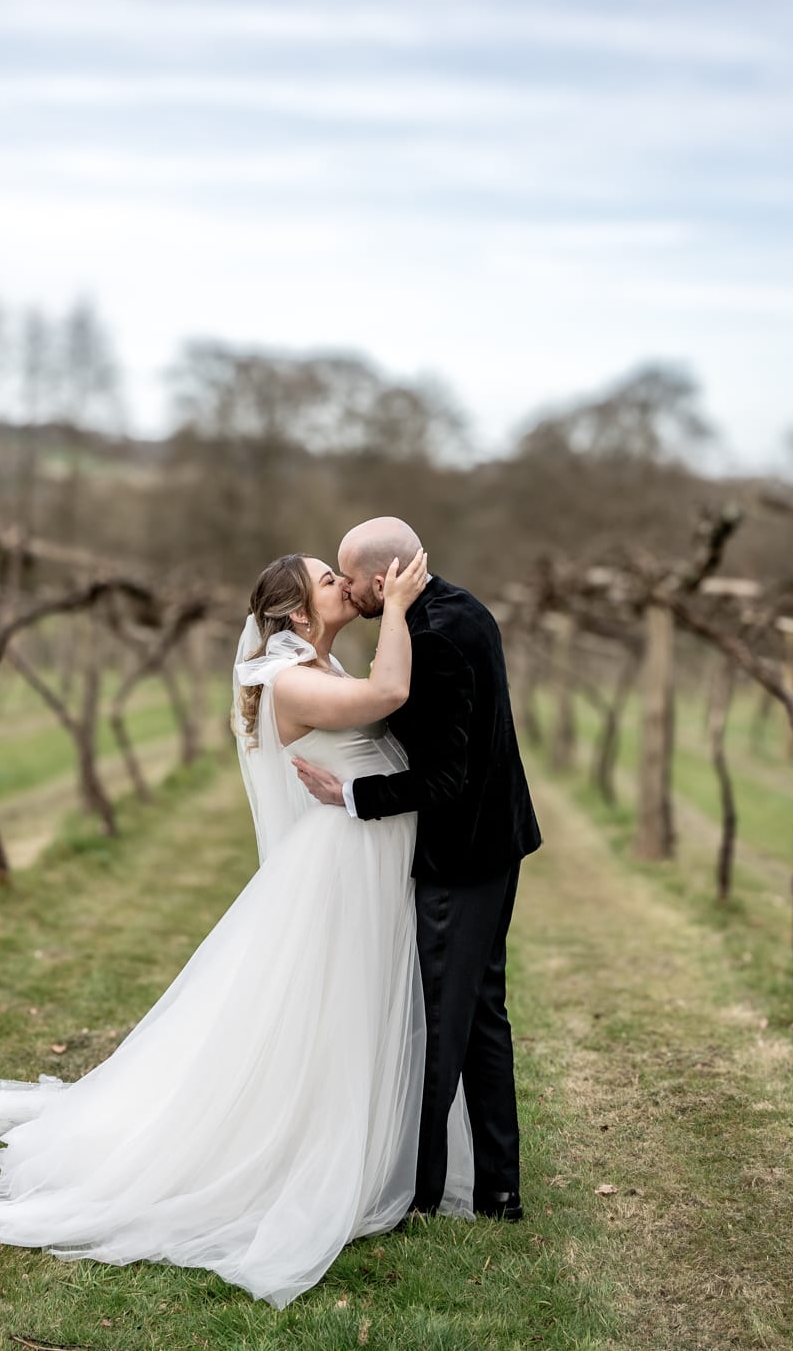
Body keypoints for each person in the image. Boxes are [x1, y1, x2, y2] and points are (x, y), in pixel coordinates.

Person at [0, 547, 474, 1308]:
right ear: (298, 612)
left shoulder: (313, 666)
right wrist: (398, 608)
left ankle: (366, 1149)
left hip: (350, 860)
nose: (344, 585)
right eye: (328, 580)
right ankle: (313, 1154)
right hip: (337, 868)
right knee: (321, 1017)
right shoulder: (292, 678)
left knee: (343, 1014)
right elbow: (391, 688)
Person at [293, 516, 541, 1222]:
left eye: (349, 578)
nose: (345, 590)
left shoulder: (430, 638)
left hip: (461, 857)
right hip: (496, 843)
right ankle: (497, 1188)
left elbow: (443, 780)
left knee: (439, 1026)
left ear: (381, 581)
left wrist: (350, 793)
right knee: (482, 1016)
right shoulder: (462, 605)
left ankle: (418, 1191)